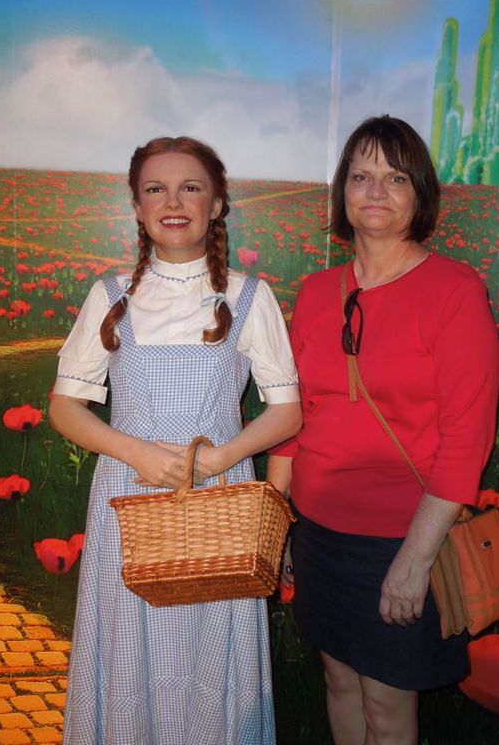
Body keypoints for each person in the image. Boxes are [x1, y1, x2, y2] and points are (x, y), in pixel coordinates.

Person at [49, 136, 301, 745]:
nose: (173, 202)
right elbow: (64, 407)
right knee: (127, 649)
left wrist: (215, 459)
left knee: (212, 652)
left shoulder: (248, 296)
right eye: (155, 189)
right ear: (137, 208)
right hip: (128, 501)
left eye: (191, 187)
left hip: (218, 503)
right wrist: (135, 451)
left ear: (217, 204)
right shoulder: (111, 296)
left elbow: (286, 412)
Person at [268, 115, 499, 745]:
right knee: (339, 684)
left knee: (386, 709)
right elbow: (292, 418)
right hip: (318, 532)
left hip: (401, 537)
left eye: (396, 178)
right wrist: (279, 524)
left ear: (420, 195)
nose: (376, 191)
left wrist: (413, 562)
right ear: (341, 191)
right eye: (361, 176)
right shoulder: (317, 292)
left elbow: (466, 441)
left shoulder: (454, 291)